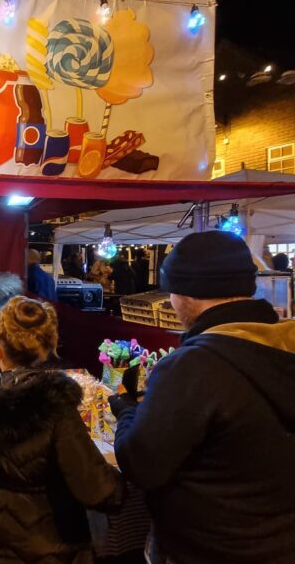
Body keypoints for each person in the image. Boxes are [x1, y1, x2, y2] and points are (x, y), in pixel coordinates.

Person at [110, 231, 295, 564]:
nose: (170, 302)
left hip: (204, 548)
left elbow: (141, 465)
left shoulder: (191, 368)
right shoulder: (285, 345)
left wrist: (125, 412)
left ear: (187, 293)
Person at [0, 296, 124, 564]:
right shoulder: (54, 407)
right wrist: (123, 484)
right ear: (47, 347)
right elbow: (96, 488)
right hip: (51, 549)